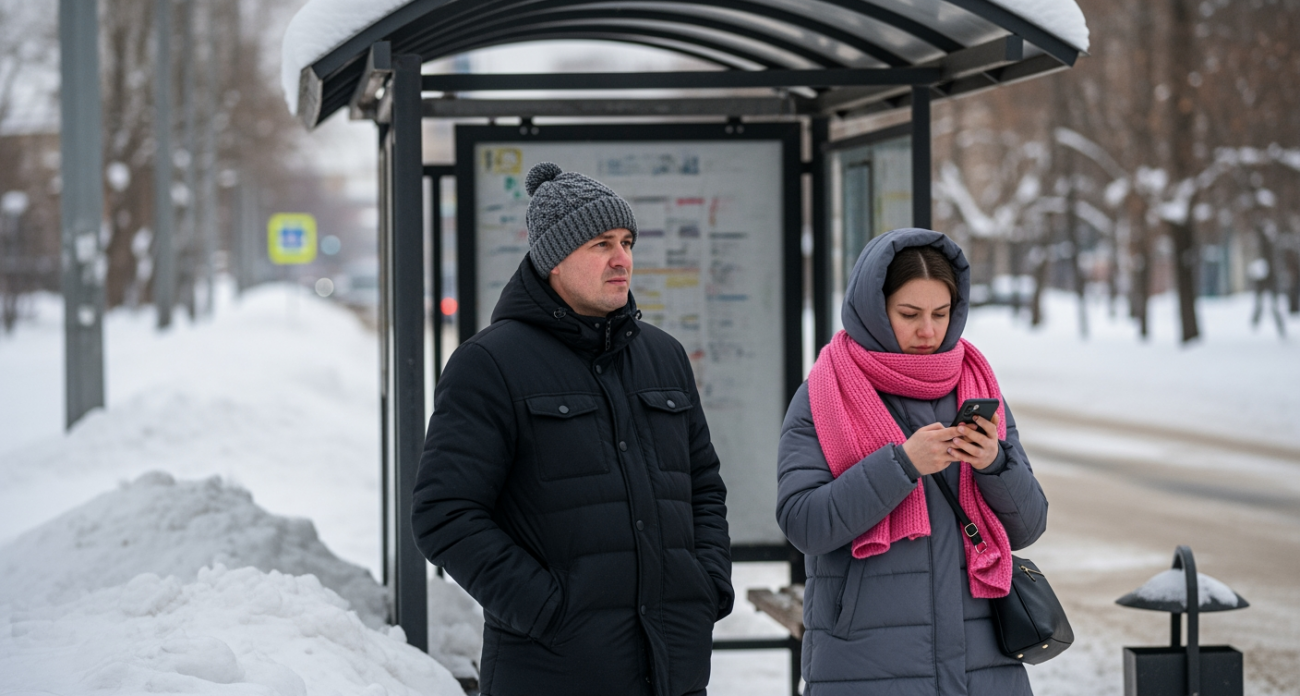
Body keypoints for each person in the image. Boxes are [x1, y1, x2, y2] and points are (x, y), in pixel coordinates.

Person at [412, 162, 733, 696]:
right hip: (551, 673)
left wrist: (707, 587)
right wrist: (546, 609)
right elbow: (444, 513)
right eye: (600, 243)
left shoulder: (664, 356)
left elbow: (703, 485)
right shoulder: (489, 363)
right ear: (553, 259)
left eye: (627, 241)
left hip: (674, 668)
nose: (621, 258)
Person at [776, 228, 1048, 695]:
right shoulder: (825, 393)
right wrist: (901, 465)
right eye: (909, 314)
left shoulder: (977, 385)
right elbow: (804, 523)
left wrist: (993, 464)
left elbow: (1029, 526)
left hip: (982, 667)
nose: (928, 331)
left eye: (941, 314)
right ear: (874, 310)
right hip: (865, 666)